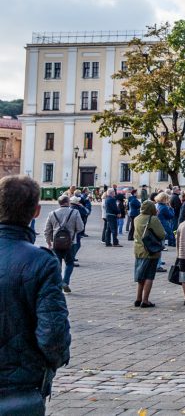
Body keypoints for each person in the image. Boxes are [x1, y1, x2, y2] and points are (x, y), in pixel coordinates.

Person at [0, 175, 71, 414]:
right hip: (20, 384)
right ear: (36, 211)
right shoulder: (42, 261)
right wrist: (55, 359)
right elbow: (52, 331)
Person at [43, 194, 84, 294]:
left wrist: (48, 242)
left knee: (57, 264)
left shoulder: (52, 213)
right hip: (71, 242)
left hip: (56, 243)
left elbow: (47, 230)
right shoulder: (75, 212)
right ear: (68, 202)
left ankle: (57, 283)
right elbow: (80, 227)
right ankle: (65, 282)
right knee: (69, 263)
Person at [133, 200, 165, 308]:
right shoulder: (153, 219)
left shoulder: (136, 218)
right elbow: (161, 234)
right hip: (151, 250)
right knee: (149, 276)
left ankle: (138, 298)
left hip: (139, 250)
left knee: (140, 275)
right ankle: (145, 300)